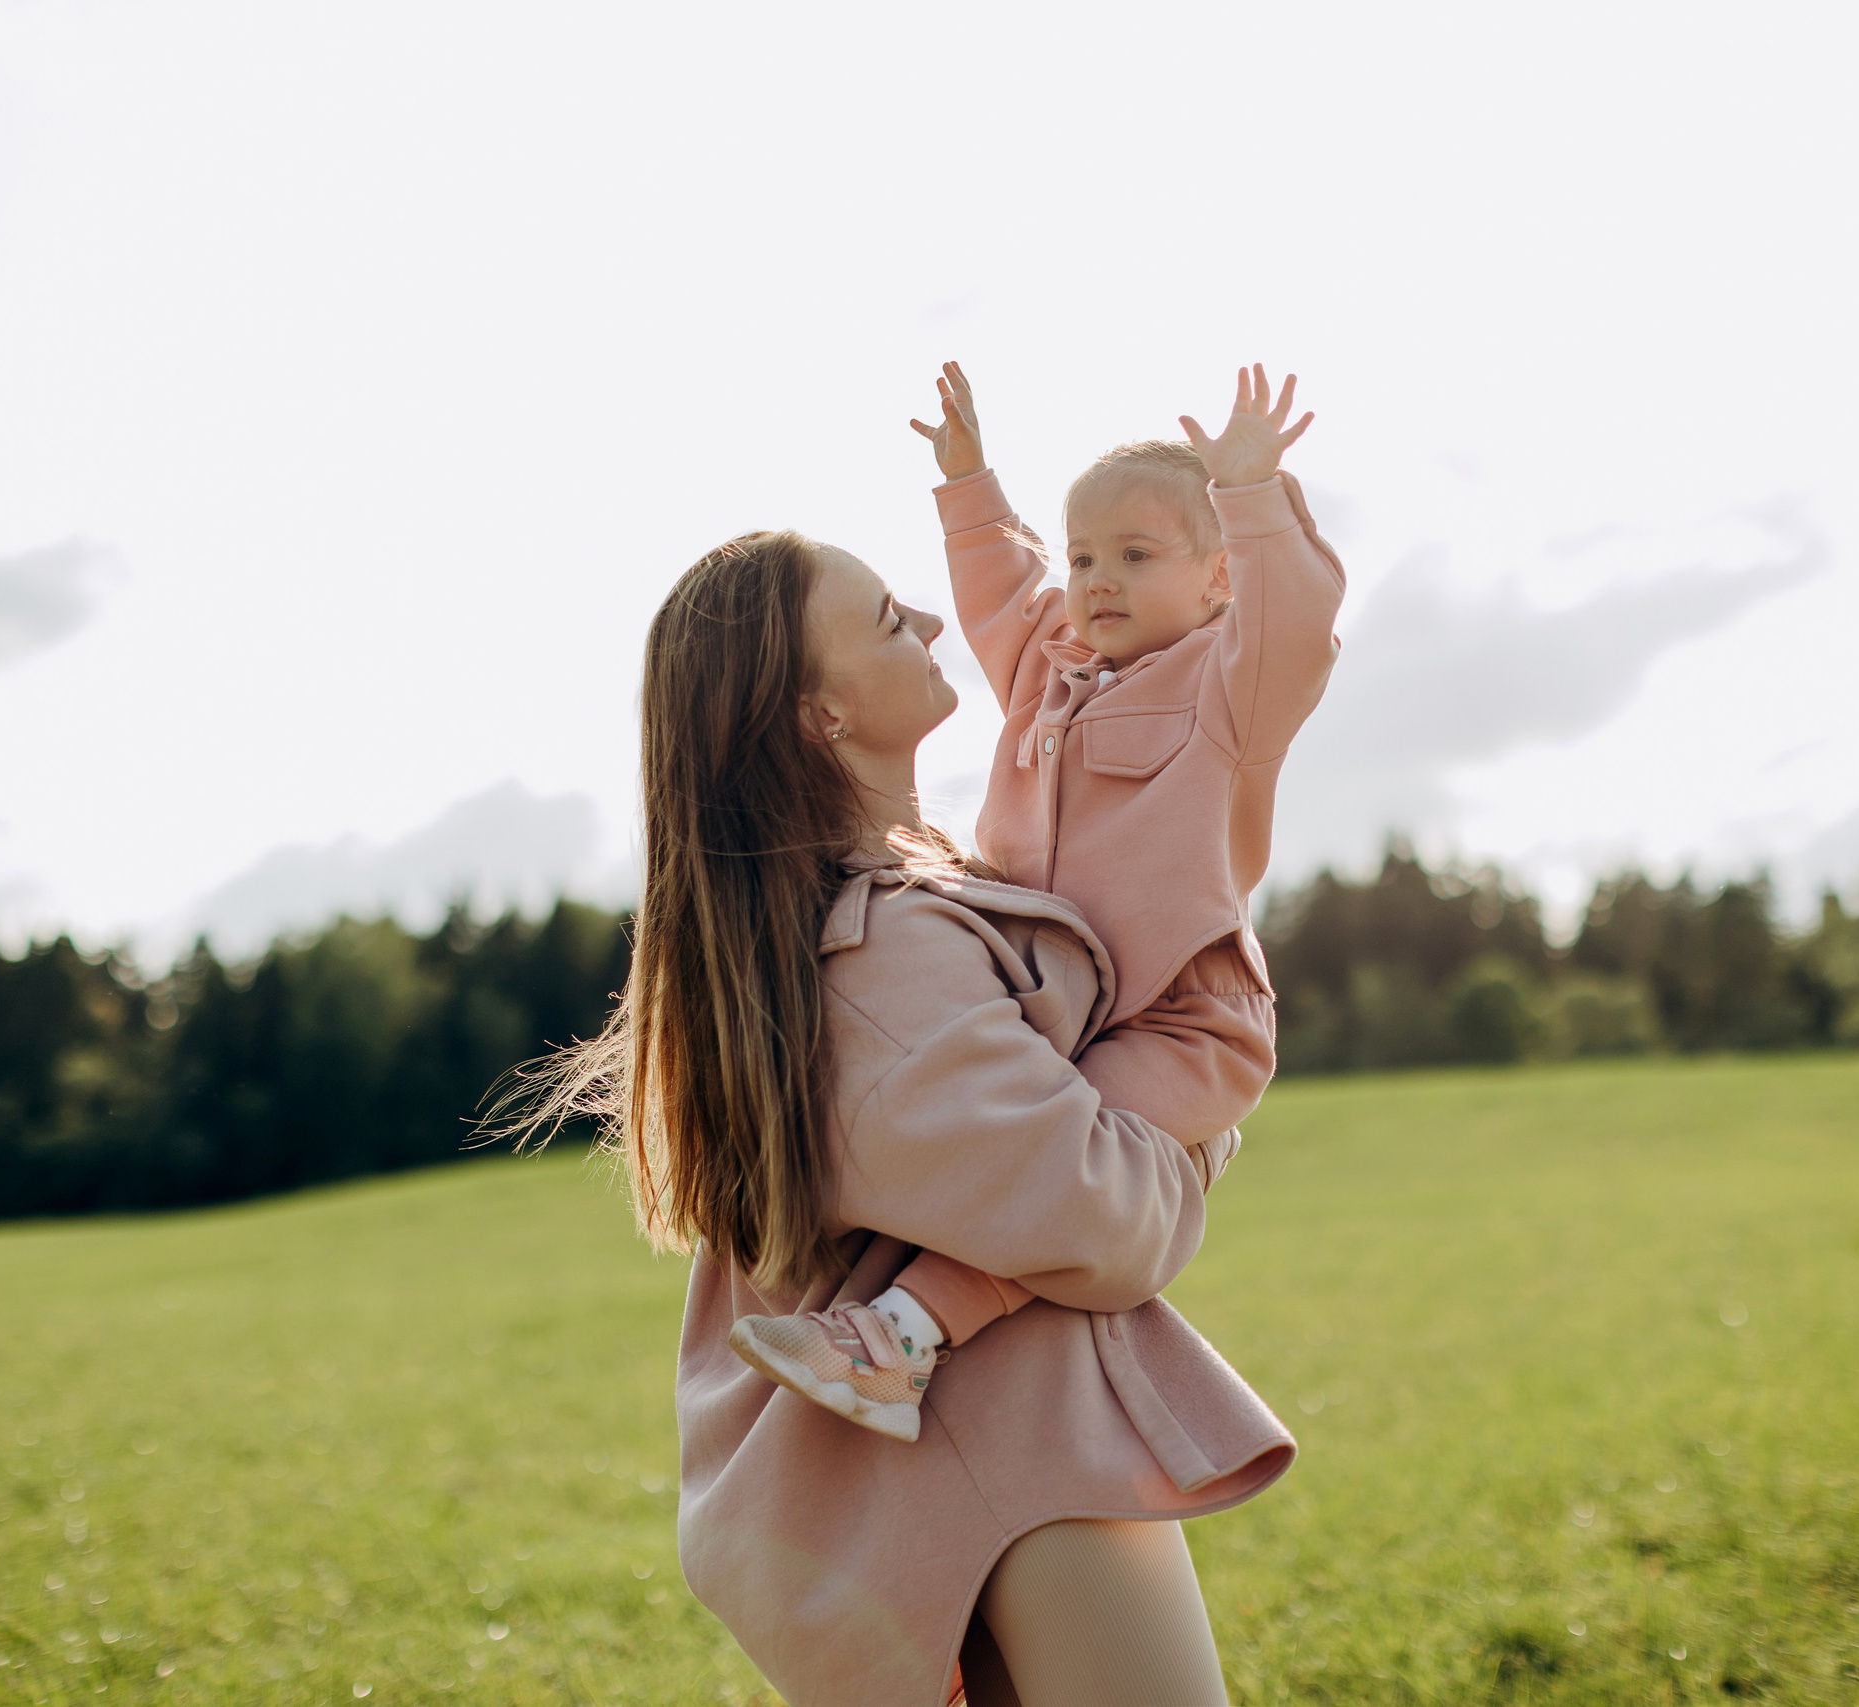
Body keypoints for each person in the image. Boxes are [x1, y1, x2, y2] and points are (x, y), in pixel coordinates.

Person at [506, 528, 1294, 1703]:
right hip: (1016, 1461)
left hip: (987, 1464)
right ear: (819, 716)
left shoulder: (889, 916)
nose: (929, 625)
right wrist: (1200, 1116)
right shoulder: (881, 962)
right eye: (885, 620)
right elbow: (1105, 1219)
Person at [727, 364, 1344, 1443]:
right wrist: (967, 484)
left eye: (1137, 557)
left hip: (1178, 1016)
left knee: (1068, 1178)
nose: (1096, 583)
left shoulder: (1226, 684)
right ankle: (897, 1343)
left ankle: (900, 1339)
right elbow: (1003, 594)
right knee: (1028, 1172)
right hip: (1063, 1003)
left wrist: (1251, 501)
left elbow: (1294, 626)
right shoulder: (1050, 672)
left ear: (1217, 581)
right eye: (1084, 557)